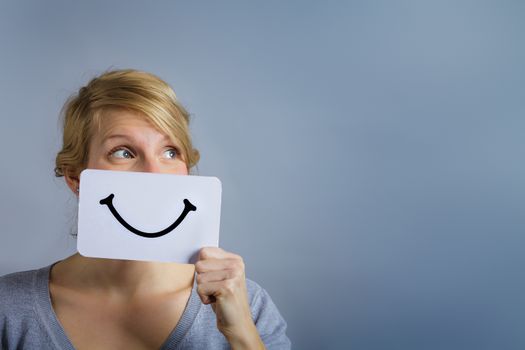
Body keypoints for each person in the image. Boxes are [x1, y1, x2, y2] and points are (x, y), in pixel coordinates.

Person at [0, 69, 291, 349]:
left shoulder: (248, 305)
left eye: (170, 152)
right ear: (76, 178)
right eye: (123, 152)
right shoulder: (9, 309)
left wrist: (240, 332)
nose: (154, 173)